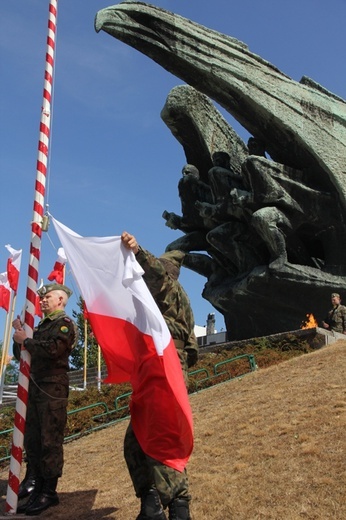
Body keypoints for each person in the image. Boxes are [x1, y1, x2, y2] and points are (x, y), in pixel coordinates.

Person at [121, 231, 198, 520]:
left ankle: (179, 507)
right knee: (136, 441)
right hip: (156, 363)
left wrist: (138, 251)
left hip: (165, 363)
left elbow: (155, 273)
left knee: (161, 435)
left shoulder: (169, 288)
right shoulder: (161, 299)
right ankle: (151, 504)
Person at [12, 283, 78, 516]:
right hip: (36, 385)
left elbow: (53, 350)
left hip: (52, 387)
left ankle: (49, 491)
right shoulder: (39, 327)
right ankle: (37, 485)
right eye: (42, 298)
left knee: (50, 439)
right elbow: (22, 355)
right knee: (34, 440)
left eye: (47, 297)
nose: (42, 301)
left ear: (60, 300)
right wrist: (20, 336)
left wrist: (26, 341)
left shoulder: (64, 324)